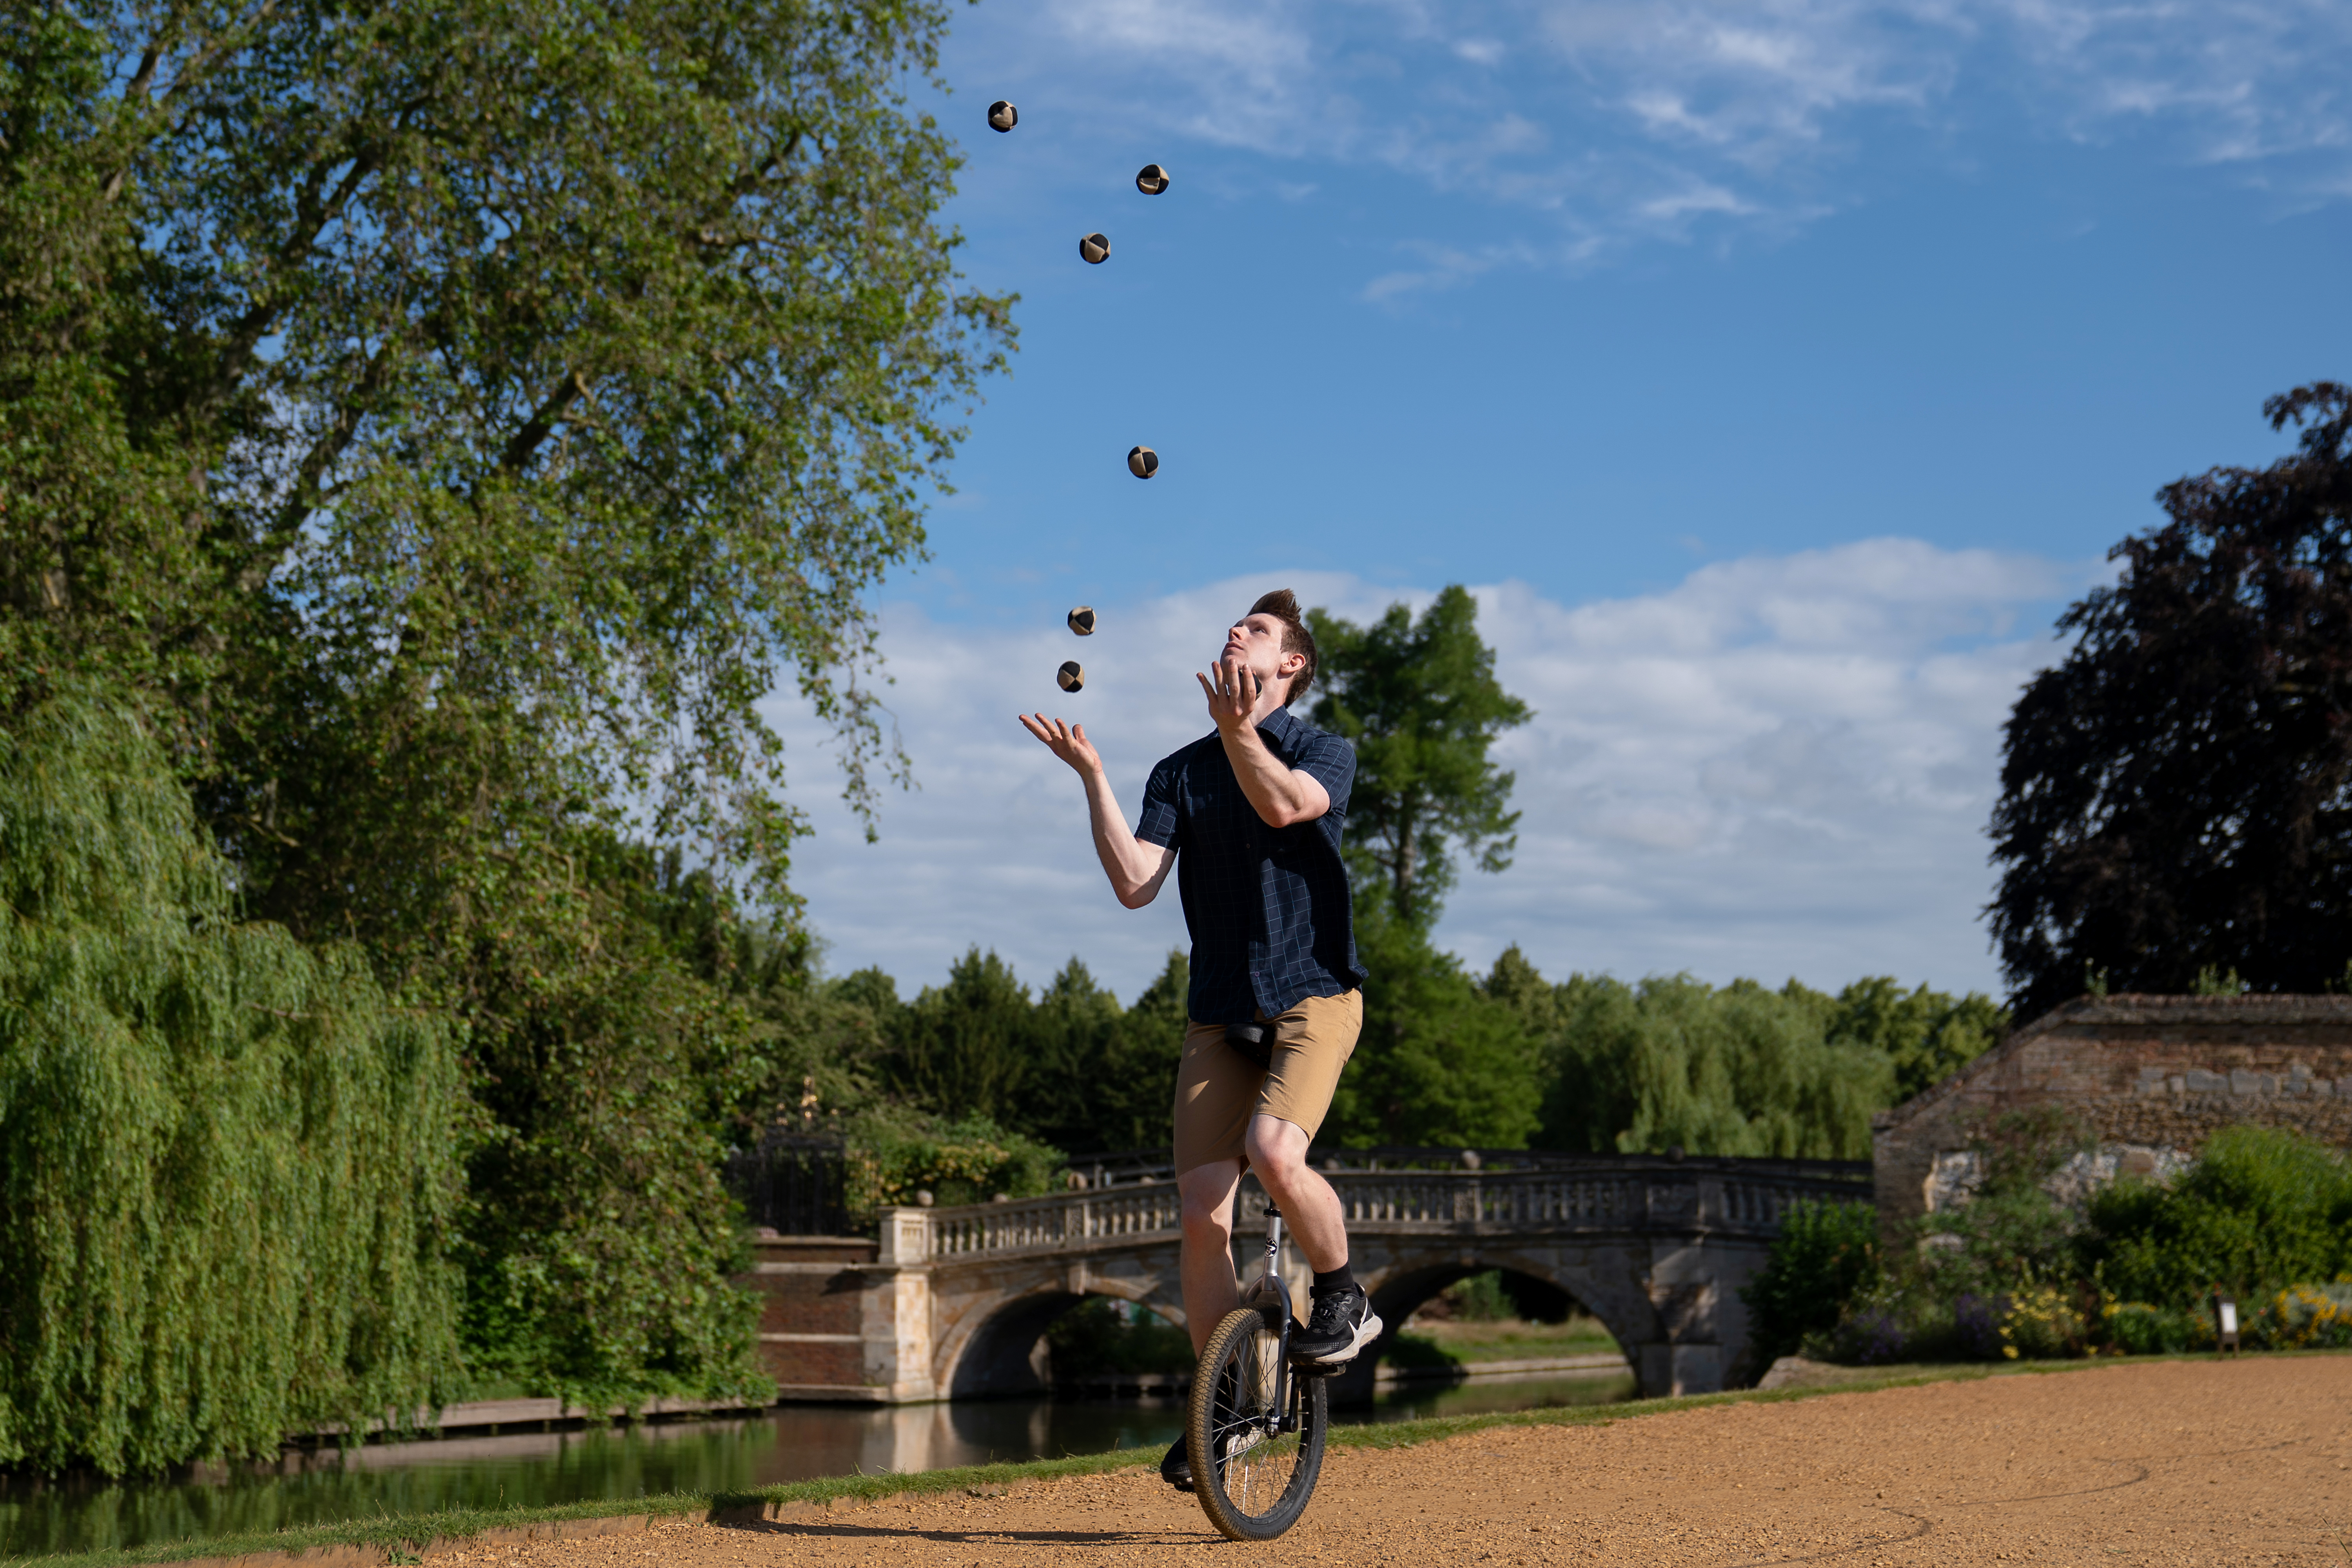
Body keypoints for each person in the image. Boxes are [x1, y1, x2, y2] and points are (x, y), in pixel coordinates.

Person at [1018, 588, 1379, 1493]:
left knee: (1272, 1146)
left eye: (1256, 630)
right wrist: (1094, 777)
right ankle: (1231, 1405)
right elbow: (1138, 883)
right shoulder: (1178, 771)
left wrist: (1237, 731)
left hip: (1314, 993)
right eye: (1234, 626)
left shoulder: (1320, 747)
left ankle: (1343, 1294)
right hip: (1218, 1008)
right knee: (1199, 1211)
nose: (1236, 632)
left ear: (1290, 664)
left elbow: (1289, 805)